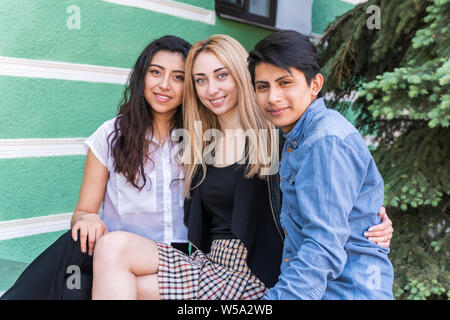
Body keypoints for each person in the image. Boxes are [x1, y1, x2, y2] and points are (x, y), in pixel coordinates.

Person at [90, 34, 393, 300]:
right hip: (209, 264)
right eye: (200, 80)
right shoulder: (199, 141)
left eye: (222, 76)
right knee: (111, 248)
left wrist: (369, 218)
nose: (212, 89)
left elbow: (330, 196)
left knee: (137, 290)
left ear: (241, 77)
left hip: (253, 272)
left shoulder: (277, 135)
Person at [0, 35, 192, 300]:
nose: (164, 85)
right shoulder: (111, 135)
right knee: (73, 275)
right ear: (142, 77)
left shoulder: (200, 139)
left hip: (170, 260)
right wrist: (87, 218)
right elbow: (82, 212)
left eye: (178, 77)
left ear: (190, 85)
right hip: (111, 259)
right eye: (156, 72)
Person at [247, 29, 394, 299]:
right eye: (262, 86)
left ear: (314, 85)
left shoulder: (325, 142)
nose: (273, 97)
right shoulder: (297, 136)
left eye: (285, 82)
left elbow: (323, 246)